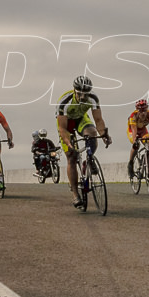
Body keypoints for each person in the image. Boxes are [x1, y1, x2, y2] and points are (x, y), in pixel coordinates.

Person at [55, 76, 110, 207]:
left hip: (81, 118)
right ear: (74, 90)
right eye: (79, 94)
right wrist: (67, 141)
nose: (82, 97)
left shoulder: (93, 98)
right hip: (66, 123)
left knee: (92, 133)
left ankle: (89, 160)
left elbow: (98, 120)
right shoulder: (65, 101)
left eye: (85, 94)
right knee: (71, 157)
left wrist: (103, 134)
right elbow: (62, 128)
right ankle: (75, 194)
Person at [126, 98, 149, 179]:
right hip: (132, 130)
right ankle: (130, 164)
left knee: (148, 146)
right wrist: (135, 140)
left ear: (147, 109)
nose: (143, 113)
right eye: (140, 111)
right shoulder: (133, 116)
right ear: (137, 110)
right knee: (136, 145)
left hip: (143, 130)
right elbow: (134, 130)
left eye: (144, 110)